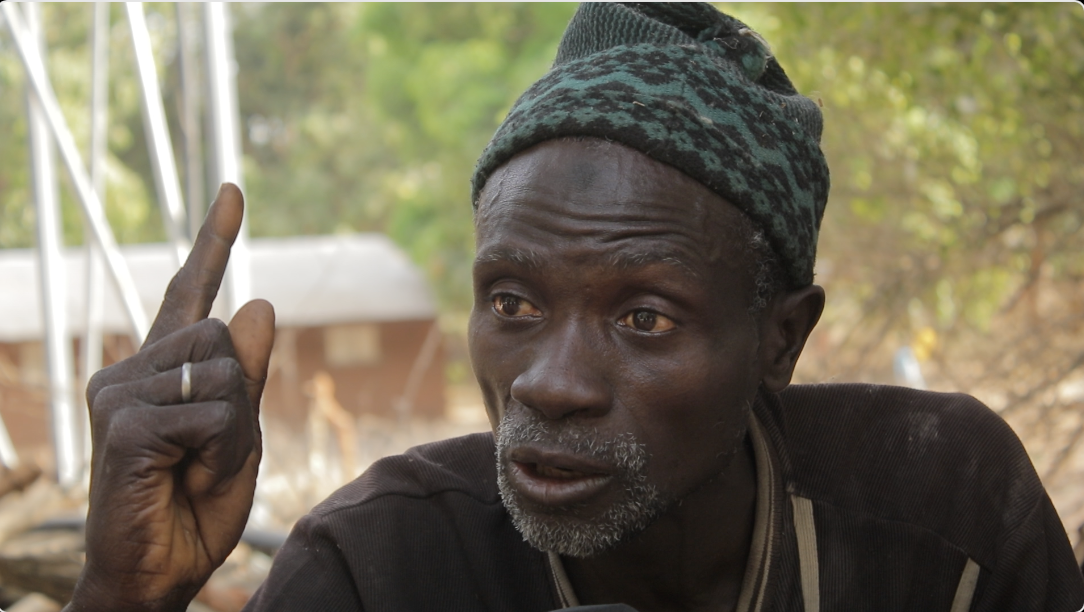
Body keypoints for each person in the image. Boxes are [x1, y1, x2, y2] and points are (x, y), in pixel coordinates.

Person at [64, 4, 1084, 612]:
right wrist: (123, 600)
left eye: (643, 318)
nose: (547, 383)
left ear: (781, 338)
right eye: (511, 301)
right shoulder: (383, 572)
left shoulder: (941, 521)